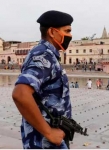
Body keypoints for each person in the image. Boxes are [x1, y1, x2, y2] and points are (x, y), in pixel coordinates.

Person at [12, 10, 74, 149]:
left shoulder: (47, 54)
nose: (70, 35)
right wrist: (49, 133)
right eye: (67, 31)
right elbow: (20, 94)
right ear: (52, 32)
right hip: (44, 141)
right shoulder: (44, 56)